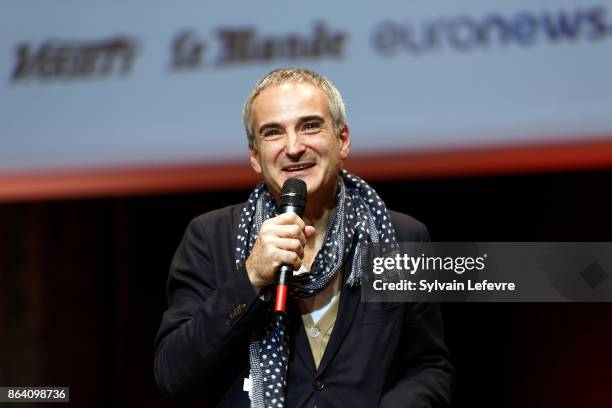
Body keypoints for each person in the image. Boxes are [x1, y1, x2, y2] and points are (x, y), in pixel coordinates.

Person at [154, 68, 454, 407]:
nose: (294, 147)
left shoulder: (402, 237)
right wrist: (250, 278)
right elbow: (173, 374)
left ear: (342, 140)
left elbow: (429, 368)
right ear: (255, 156)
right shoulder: (209, 238)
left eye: (310, 126)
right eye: (273, 133)